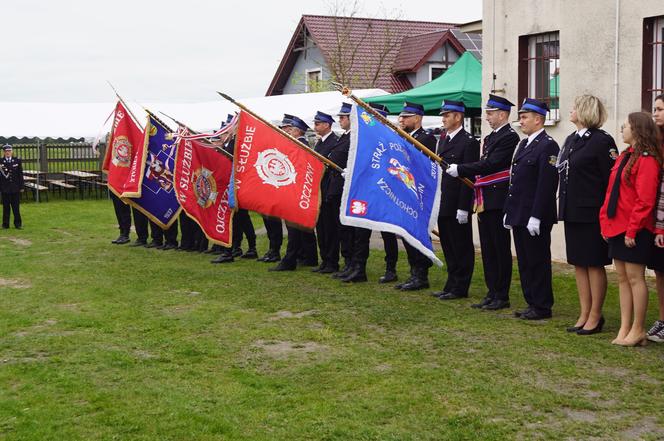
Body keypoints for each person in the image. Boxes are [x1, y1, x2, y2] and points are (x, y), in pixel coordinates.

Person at [447, 94, 519, 310]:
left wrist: (461, 168)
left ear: (502, 114)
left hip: (498, 198)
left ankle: (501, 294)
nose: (486, 117)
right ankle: (491, 291)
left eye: (490, 113)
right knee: (487, 248)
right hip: (485, 197)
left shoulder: (509, 137)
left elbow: (491, 164)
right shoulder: (489, 138)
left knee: (499, 247)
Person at [600, 112, 662, 346]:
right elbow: (611, 192)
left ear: (637, 130)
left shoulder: (647, 160)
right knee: (623, 278)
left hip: (634, 229)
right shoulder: (625, 156)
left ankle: (638, 328)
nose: (622, 130)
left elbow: (645, 200)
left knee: (636, 279)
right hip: (617, 225)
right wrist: (605, 221)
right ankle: (625, 327)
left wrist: (632, 230)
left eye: (625, 126)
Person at [557, 95, 616, 335]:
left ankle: (595, 315)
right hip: (572, 210)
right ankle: (584, 312)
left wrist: (607, 216)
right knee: (578, 264)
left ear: (584, 112)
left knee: (593, 264)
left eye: (573, 107)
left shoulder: (602, 141)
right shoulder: (572, 139)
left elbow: (610, 182)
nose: (570, 111)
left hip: (592, 213)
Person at [504, 98, 560, 320]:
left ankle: (542, 305)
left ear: (538, 119)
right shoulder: (524, 144)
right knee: (525, 261)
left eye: (525, 117)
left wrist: (536, 216)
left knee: (537, 260)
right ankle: (531, 302)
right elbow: (516, 181)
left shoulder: (548, 145)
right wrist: (510, 210)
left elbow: (546, 186)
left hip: (535, 215)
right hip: (520, 213)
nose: (521, 121)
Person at [435, 100, 480, 301]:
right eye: (443, 115)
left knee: (460, 245)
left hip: (457, 202)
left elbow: (468, 176)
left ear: (458, 117)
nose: (443, 119)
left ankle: (461, 285)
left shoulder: (469, 141)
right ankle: (451, 283)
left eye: (447, 115)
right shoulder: (443, 139)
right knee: (447, 243)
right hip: (444, 200)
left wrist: (464, 207)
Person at [393, 102, 438, 291]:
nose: (401, 120)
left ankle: (421, 274)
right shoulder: (405, 137)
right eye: (401, 117)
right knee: (407, 234)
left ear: (417, 118)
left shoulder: (425, 138)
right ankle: (414, 272)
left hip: (417, 192)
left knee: (417, 233)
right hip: (405, 191)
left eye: (406, 117)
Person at [270, 115, 318, 271]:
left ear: (297, 131)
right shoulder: (296, 144)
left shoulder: (301, 146)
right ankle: (307, 256)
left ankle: (291, 259)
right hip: (296, 191)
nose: (288, 132)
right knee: (301, 228)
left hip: (297, 191)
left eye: (290, 130)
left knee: (295, 228)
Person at [311, 111, 341, 274]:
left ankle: (332, 261)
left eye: (318, 124)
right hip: (319, 191)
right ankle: (324, 259)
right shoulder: (320, 142)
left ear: (326, 125)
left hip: (328, 190)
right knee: (321, 228)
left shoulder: (334, 141)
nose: (315, 127)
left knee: (330, 228)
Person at [647, 93, 664, 343]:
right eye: (655, 108)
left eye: (661, 109)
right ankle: (662, 319)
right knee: (660, 272)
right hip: (656, 218)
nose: (656, 113)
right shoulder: (655, 143)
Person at [0, 144, 24, 230]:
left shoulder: (17, 161)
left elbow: (20, 175)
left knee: (16, 207)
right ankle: (5, 225)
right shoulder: (1, 161)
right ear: (3, 152)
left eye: (9, 151)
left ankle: (18, 224)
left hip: (15, 188)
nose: (8, 153)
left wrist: (21, 186)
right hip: (5, 188)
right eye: (6, 151)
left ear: (12, 151)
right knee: (6, 207)